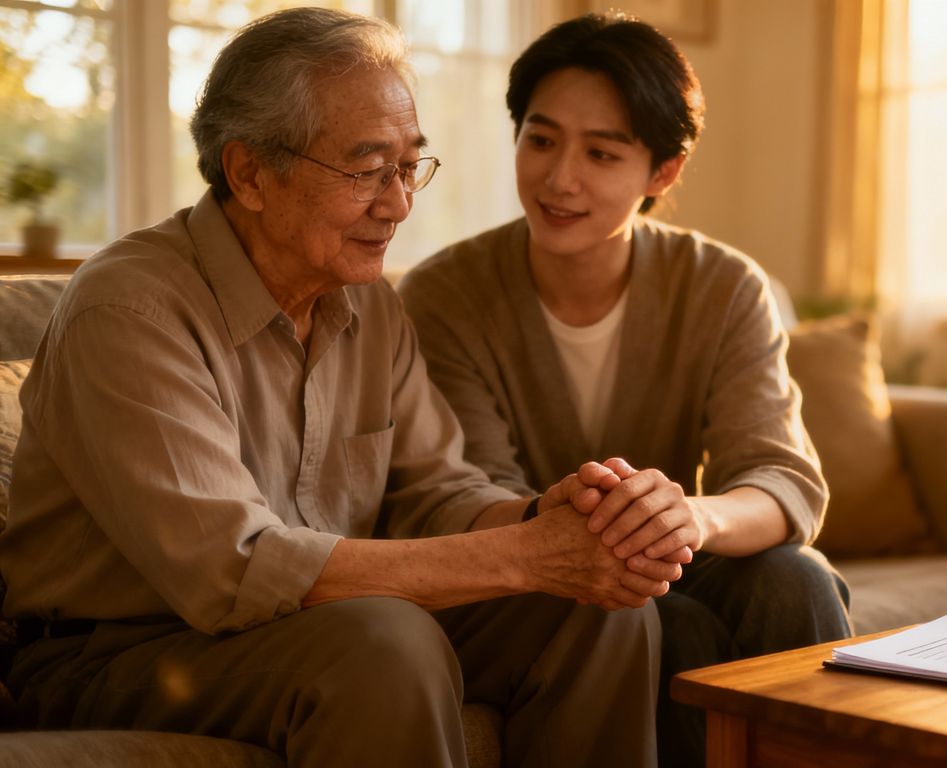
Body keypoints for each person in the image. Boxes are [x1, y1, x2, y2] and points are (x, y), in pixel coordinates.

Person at [0, 8, 676, 768]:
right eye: (366, 170)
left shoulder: (370, 304)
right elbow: (233, 566)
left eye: (408, 166)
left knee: (597, 610)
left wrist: (549, 520)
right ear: (250, 173)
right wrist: (527, 555)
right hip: (119, 650)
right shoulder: (129, 309)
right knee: (386, 642)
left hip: (316, 624)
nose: (398, 204)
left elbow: (435, 493)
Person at [398, 12, 852, 766]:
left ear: (663, 172)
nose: (559, 179)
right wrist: (596, 528)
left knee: (793, 581)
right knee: (677, 626)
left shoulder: (723, 287)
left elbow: (782, 481)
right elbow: (469, 494)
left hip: (678, 551)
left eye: (601, 153)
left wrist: (689, 517)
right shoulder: (445, 295)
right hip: (532, 581)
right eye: (541, 140)